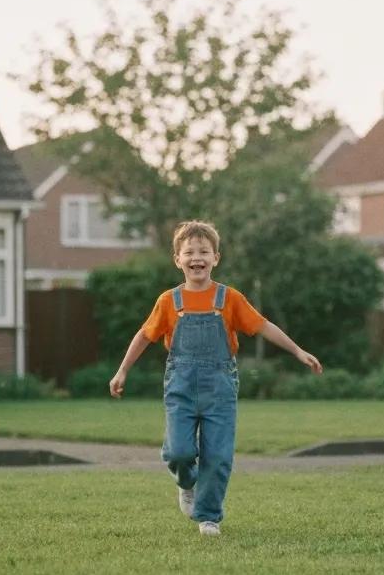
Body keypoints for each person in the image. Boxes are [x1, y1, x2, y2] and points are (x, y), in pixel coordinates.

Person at [109, 219, 322, 536]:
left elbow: (263, 326)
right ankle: (186, 482)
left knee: (218, 455)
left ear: (216, 258)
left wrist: (297, 350)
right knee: (179, 452)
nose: (197, 257)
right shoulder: (169, 301)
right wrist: (123, 369)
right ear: (178, 260)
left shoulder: (230, 299)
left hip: (220, 388)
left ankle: (208, 517)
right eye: (190, 252)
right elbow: (143, 335)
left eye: (204, 251)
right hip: (180, 387)